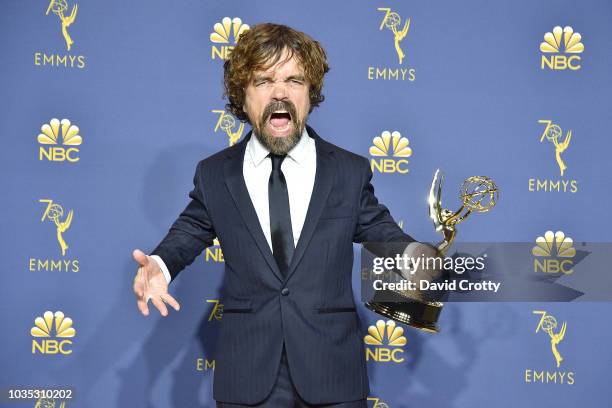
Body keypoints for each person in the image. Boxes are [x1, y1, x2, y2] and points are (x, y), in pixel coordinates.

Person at [132, 23, 422, 407]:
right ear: (243, 94)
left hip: (332, 376)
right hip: (247, 377)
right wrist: (159, 264)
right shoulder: (216, 174)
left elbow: (386, 236)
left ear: (310, 93)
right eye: (264, 80)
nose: (280, 92)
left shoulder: (348, 172)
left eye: (294, 80)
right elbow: (189, 231)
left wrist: (426, 263)